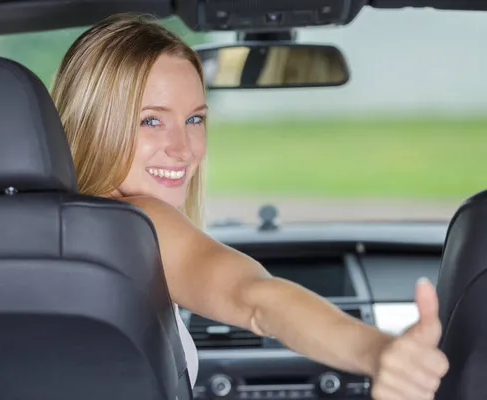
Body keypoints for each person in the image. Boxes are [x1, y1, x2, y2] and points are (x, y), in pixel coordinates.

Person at [50, 13, 449, 399]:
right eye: (151, 121)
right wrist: (377, 352)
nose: (184, 149)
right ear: (94, 121)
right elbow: (256, 298)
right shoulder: (139, 226)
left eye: (194, 119)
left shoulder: (21, 233)